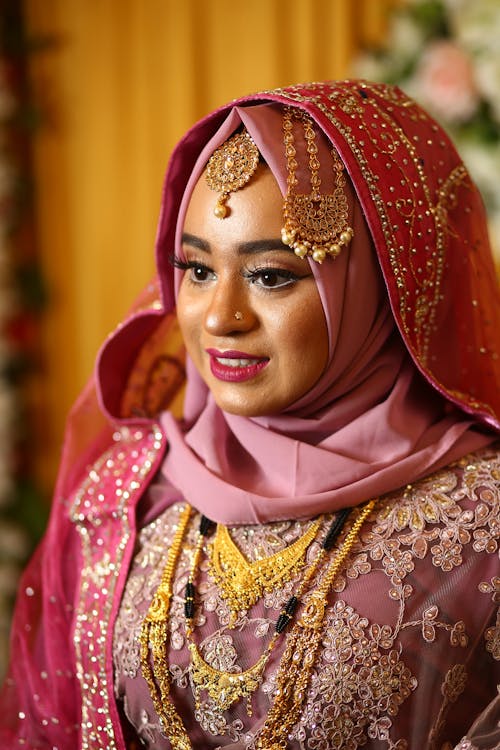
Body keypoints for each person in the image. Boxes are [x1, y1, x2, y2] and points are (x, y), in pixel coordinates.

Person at [0, 80, 499, 750]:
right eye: (197, 270)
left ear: (378, 285)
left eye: (270, 275)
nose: (219, 318)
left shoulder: (482, 523)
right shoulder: (125, 498)